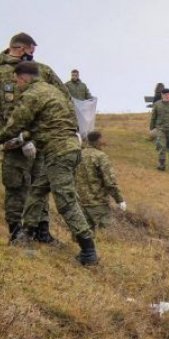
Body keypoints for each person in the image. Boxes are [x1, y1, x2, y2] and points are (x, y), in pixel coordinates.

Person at [0, 62, 98, 265]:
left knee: (66, 201)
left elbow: (15, 124)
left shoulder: (32, 95)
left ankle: (89, 250)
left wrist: (9, 137)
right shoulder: (53, 91)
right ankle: (25, 234)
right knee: (37, 191)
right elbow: (49, 122)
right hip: (68, 148)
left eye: (16, 81)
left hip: (58, 153)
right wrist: (25, 137)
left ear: (23, 77)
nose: (16, 85)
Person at [1, 32, 70, 244]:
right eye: (31, 50)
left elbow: (63, 97)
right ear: (21, 48)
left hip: (39, 141)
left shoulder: (42, 71)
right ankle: (16, 234)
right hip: (11, 141)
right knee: (15, 186)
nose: (32, 55)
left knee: (40, 186)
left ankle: (42, 233)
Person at [75, 130, 126, 231]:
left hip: (80, 203)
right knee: (106, 236)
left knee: (84, 235)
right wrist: (120, 200)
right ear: (97, 140)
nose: (104, 141)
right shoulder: (101, 156)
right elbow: (110, 182)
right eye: (102, 138)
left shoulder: (78, 155)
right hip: (98, 204)